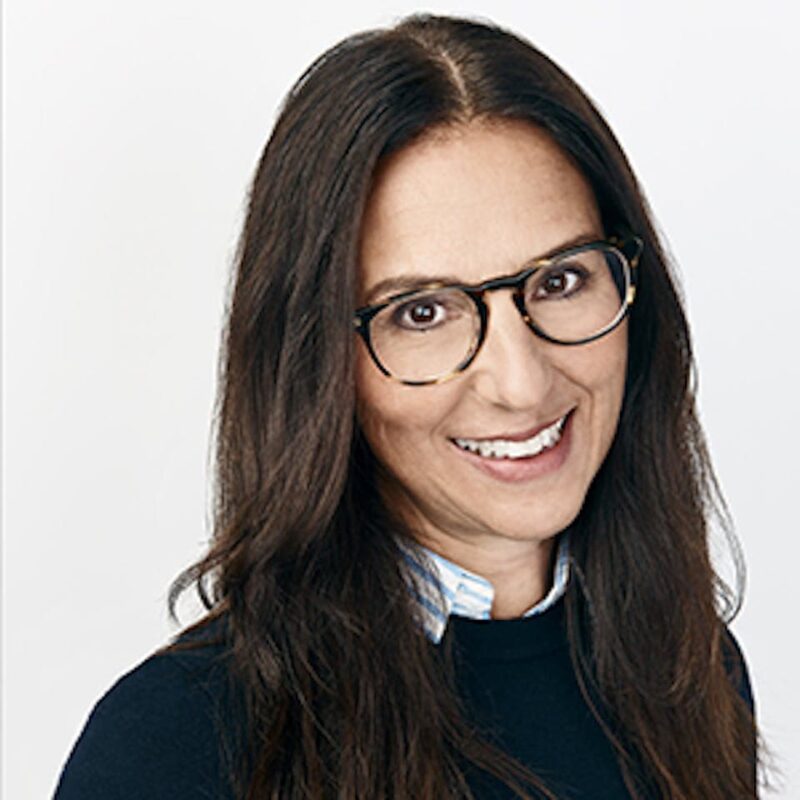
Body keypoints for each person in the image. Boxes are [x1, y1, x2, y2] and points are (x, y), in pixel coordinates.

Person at [54, 13, 760, 800]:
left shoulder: (690, 670)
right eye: (421, 312)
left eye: (560, 280)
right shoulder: (178, 747)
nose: (521, 383)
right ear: (318, 360)